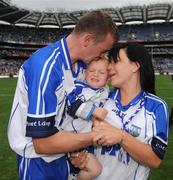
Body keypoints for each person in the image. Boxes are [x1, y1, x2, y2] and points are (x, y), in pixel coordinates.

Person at [7, 10, 118, 180]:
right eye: (103, 50)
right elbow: (42, 143)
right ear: (87, 40)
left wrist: (76, 151)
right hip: (38, 164)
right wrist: (95, 137)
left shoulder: (82, 67)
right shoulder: (45, 66)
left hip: (63, 156)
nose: (102, 56)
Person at [71, 42, 169, 180]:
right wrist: (79, 159)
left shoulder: (156, 107)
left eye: (115, 61)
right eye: (109, 62)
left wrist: (121, 137)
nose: (109, 67)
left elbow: (155, 161)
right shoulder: (100, 101)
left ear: (135, 66)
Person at [62, 58, 109, 180]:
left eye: (101, 72)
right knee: (95, 169)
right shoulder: (78, 87)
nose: (95, 74)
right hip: (72, 136)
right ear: (85, 73)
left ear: (108, 78)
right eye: (92, 70)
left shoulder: (105, 92)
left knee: (92, 169)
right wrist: (92, 111)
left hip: (87, 140)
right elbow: (69, 105)